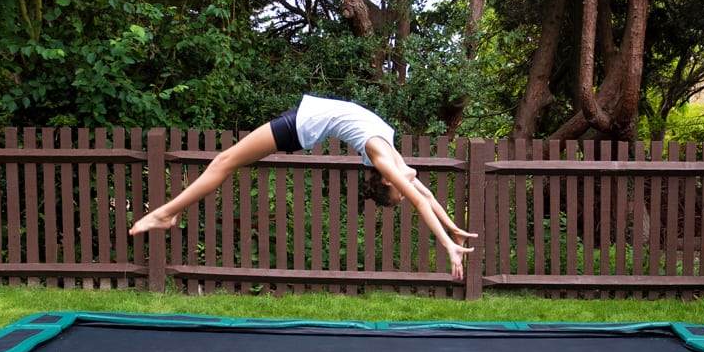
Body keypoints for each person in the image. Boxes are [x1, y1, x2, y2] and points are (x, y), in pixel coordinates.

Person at [129, 95, 478, 279]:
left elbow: (422, 196)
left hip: (301, 126)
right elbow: (424, 198)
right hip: (301, 123)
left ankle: (166, 214)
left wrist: (450, 235)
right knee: (225, 162)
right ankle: (167, 213)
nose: (410, 184)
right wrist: (452, 237)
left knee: (225, 161)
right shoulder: (388, 160)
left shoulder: (386, 159)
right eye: (402, 190)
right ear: (389, 182)